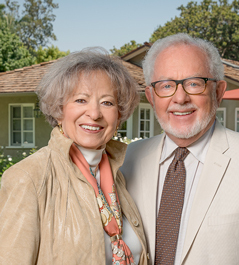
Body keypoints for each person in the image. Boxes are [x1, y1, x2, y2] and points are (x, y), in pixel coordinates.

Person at [121, 33, 239, 265]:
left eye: (194, 83)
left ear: (218, 92)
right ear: (151, 96)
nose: (180, 98)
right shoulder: (126, 162)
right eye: (166, 85)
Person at [0, 47, 149, 265]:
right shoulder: (29, 178)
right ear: (59, 110)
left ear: (119, 117)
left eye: (107, 102)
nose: (95, 113)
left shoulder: (119, 176)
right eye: (81, 100)